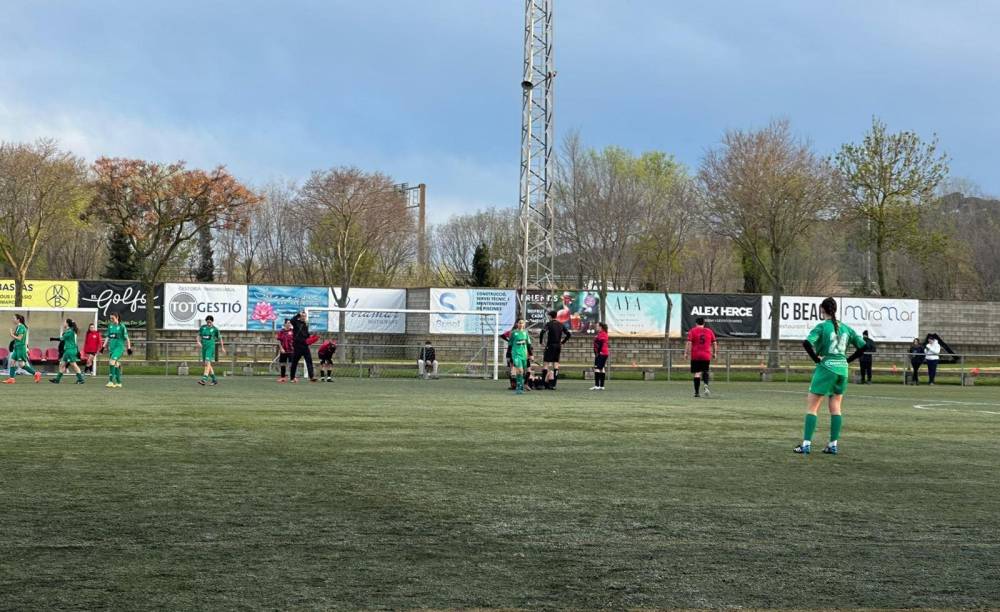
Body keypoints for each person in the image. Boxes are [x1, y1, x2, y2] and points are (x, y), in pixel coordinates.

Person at [794, 298, 867, 455]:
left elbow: (806, 343)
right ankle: (833, 444)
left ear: (822, 310)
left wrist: (816, 360)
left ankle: (806, 444)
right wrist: (847, 360)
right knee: (836, 408)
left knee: (812, 407)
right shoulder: (846, 328)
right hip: (842, 370)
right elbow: (864, 346)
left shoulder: (822, 326)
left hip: (827, 368)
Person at [685, 316, 717, 398]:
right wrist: (714, 353)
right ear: (704, 323)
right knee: (705, 371)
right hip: (706, 355)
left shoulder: (692, 331)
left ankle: (696, 392)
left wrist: (686, 353)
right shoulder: (709, 331)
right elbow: (714, 343)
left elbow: (689, 343)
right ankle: (706, 385)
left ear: (696, 323)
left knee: (697, 373)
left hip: (695, 355)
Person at [3, 314, 41, 384]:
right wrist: (13, 335)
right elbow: (16, 338)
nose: (13, 320)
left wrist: (12, 334)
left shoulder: (21, 327)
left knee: (21, 365)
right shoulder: (18, 327)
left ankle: (36, 373)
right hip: (16, 348)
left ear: (18, 320)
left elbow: (20, 338)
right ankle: (11, 379)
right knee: (12, 362)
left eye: (14, 318)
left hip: (21, 348)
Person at [539, 310, 571, 389]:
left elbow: (542, 332)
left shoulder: (549, 324)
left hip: (550, 345)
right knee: (556, 364)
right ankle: (553, 385)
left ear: (550, 316)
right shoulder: (561, 324)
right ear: (556, 316)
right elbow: (569, 334)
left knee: (546, 364)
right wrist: (562, 342)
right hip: (558, 346)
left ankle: (543, 384)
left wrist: (541, 342)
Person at [102, 312, 132, 389]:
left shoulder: (122, 326)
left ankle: (110, 381)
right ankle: (119, 382)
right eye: (110, 318)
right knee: (116, 364)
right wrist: (103, 347)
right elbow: (108, 337)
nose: (111, 320)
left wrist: (129, 348)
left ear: (117, 317)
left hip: (119, 348)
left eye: (113, 318)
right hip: (112, 348)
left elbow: (127, 338)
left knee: (111, 361)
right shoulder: (110, 326)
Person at [50, 319, 85, 384]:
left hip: (70, 350)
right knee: (62, 364)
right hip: (68, 350)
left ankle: (81, 379)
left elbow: (62, 339)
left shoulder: (70, 331)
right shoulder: (71, 330)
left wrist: (53, 339)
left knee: (74, 365)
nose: (64, 323)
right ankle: (57, 379)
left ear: (67, 324)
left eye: (65, 322)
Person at [288, 311, 317, 383]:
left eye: (305, 316)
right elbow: (291, 320)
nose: (304, 317)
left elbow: (306, 334)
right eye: (303, 316)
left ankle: (311, 376)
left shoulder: (306, 324)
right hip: (297, 346)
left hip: (305, 346)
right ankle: (292, 378)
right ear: (300, 316)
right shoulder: (296, 322)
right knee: (294, 362)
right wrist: (298, 314)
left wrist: (311, 336)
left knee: (309, 361)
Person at [196, 315, 225, 386]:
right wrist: (198, 341)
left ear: (212, 322)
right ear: (206, 321)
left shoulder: (215, 329)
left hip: (211, 347)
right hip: (204, 348)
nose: (209, 323)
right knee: (208, 364)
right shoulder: (203, 327)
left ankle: (204, 379)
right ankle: (214, 379)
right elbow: (198, 336)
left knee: (207, 362)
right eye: (208, 322)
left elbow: (220, 338)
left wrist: (222, 347)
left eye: (210, 322)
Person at [509, 319, 532, 394]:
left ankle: (521, 386)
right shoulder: (513, 333)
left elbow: (528, 345)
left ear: (524, 324)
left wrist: (531, 355)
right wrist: (509, 356)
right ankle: (518, 387)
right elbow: (510, 345)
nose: (521, 324)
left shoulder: (526, 333)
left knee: (523, 372)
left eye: (522, 323)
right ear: (517, 324)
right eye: (519, 323)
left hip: (524, 355)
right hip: (516, 354)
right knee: (520, 370)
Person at [591, 322, 610, 391]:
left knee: (597, 368)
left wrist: (598, 353)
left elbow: (601, 343)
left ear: (600, 327)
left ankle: (597, 385)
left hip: (601, 354)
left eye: (597, 326)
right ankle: (601, 386)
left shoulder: (603, 334)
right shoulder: (601, 334)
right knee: (602, 368)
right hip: (602, 353)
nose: (596, 327)